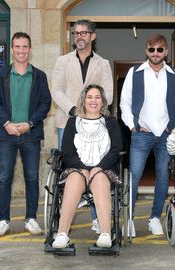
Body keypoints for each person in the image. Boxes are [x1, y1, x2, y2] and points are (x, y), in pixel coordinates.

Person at [120, 34, 175, 236]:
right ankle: (129, 219)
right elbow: (125, 103)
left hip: (167, 134)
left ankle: (155, 217)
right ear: (146, 50)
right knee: (135, 174)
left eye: (160, 49)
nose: (155, 53)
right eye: (151, 49)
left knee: (164, 175)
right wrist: (133, 126)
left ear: (166, 51)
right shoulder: (135, 73)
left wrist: (174, 128)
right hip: (142, 134)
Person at [51, 19, 113, 232]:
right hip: (67, 122)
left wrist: (91, 113)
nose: (79, 36)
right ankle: (62, 219)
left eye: (84, 33)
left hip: (96, 125)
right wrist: (75, 111)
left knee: (96, 167)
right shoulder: (62, 61)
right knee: (69, 167)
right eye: (76, 33)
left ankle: (97, 218)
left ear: (92, 36)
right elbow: (56, 90)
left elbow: (109, 95)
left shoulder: (103, 64)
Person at [0, 32, 52, 237]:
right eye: (17, 47)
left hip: (30, 134)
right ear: (12, 49)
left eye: (25, 47)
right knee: (4, 177)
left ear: (30, 49)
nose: (21, 51)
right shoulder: (1, 74)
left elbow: (45, 103)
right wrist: (6, 123)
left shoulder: (39, 75)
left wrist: (30, 123)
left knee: (32, 177)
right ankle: (3, 220)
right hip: (6, 134)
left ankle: (31, 219)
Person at [52, 84, 122, 248]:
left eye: (97, 97)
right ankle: (62, 234)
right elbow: (67, 151)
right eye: (90, 97)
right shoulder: (73, 122)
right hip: (77, 168)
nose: (93, 101)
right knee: (75, 178)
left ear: (103, 101)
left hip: (104, 169)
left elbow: (116, 149)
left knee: (99, 179)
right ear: (83, 100)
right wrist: (82, 167)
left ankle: (105, 233)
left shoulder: (110, 122)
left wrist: (100, 167)